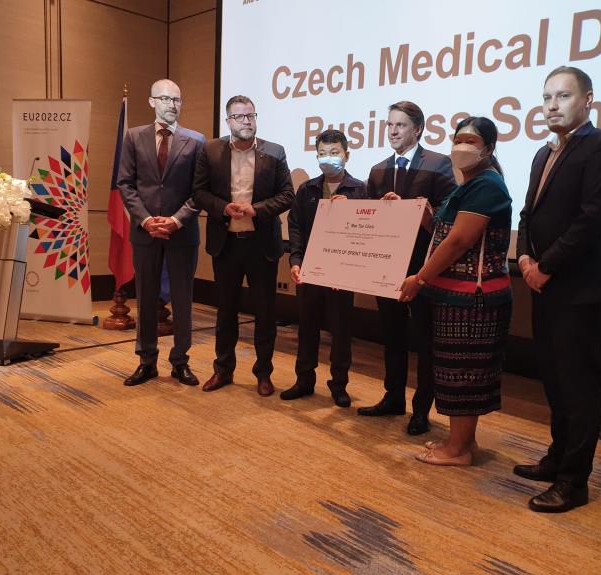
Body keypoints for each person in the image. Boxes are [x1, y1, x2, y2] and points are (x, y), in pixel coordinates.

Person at [515, 66, 601, 512]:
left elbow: (593, 218)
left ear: (588, 100)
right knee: (553, 379)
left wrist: (546, 266)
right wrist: (524, 259)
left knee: (578, 385)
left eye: (563, 96)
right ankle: (556, 457)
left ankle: (573, 481)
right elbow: (527, 215)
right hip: (542, 283)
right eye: (546, 97)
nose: (552, 105)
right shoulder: (542, 154)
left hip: (581, 288)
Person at [399, 117, 512, 466]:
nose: (461, 146)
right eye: (457, 139)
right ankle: (462, 441)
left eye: (471, 141)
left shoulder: (487, 185)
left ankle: (458, 449)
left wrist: (419, 278)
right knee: (455, 371)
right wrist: (422, 214)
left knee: (464, 374)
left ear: (488, 149)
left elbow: (459, 240)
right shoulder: (469, 184)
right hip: (454, 295)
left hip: (473, 298)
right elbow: (443, 230)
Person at [358, 101, 457, 435]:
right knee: (392, 336)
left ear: (418, 129)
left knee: (425, 341)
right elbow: (369, 219)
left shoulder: (439, 164)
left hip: (423, 269)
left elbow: (449, 218)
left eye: (400, 125)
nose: (393, 131)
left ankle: (421, 410)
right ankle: (393, 398)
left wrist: (414, 211)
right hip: (386, 267)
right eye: (389, 125)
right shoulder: (378, 170)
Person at [192, 95, 295, 397]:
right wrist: (223, 208)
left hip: (262, 246)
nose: (246, 121)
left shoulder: (274, 152)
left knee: (265, 314)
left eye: (251, 115)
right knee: (226, 312)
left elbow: (287, 194)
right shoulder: (210, 151)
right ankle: (223, 370)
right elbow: (199, 192)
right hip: (226, 245)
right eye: (239, 116)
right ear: (228, 121)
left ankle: (263, 373)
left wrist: (256, 210)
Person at [117, 78, 205, 387]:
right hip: (145, 233)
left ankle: (180, 361)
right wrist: (145, 220)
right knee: (146, 298)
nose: (172, 104)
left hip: (182, 233)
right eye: (165, 99)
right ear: (152, 102)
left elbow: (200, 190)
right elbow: (125, 183)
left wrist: (176, 220)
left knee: (182, 300)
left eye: (177, 99)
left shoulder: (197, 140)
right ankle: (147, 361)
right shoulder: (133, 137)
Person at [281, 129, 368, 408]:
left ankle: (339, 385)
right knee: (307, 329)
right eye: (322, 153)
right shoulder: (307, 189)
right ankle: (304, 380)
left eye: (334, 153)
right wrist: (295, 261)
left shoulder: (360, 190)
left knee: (341, 332)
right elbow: (295, 227)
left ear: (347, 155)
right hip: (310, 271)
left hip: (342, 275)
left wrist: (351, 209)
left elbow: (367, 231)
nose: (327, 158)